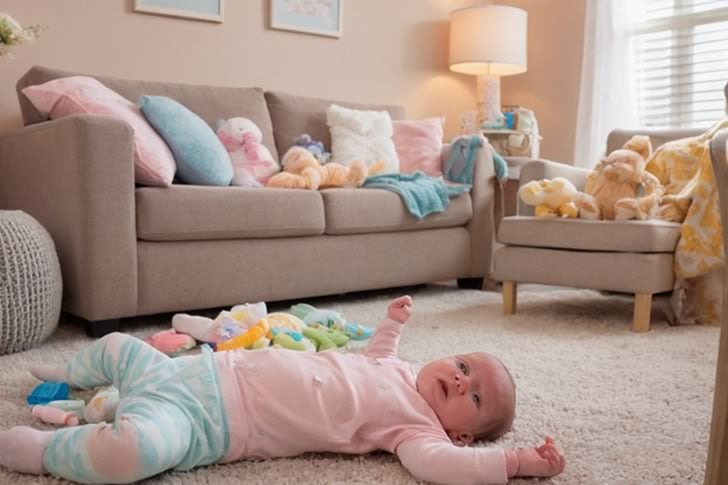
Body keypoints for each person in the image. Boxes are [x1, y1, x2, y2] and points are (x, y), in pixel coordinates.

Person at [0, 295, 565, 484]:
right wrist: (393, 322)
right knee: (119, 344)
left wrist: (516, 463)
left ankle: (41, 452)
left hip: (204, 425)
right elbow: (380, 353)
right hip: (199, 370)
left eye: (473, 396)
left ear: (462, 436)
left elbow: (442, 469)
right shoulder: (397, 369)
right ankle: (71, 372)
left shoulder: (417, 431)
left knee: (133, 453)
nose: (461, 378)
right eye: (463, 365)